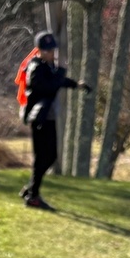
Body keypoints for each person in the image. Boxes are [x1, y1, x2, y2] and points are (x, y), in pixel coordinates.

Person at [20, 30, 91, 211]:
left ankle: (31, 189)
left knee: (51, 156)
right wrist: (60, 75)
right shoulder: (35, 67)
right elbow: (48, 86)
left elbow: (57, 81)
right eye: (46, 50)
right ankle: (33, 196)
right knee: (42, 157)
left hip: (47, 117)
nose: (50, 53)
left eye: (52, 50)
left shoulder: (48, 67)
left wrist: (76, 84)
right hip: (40, 118)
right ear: (39, 51)